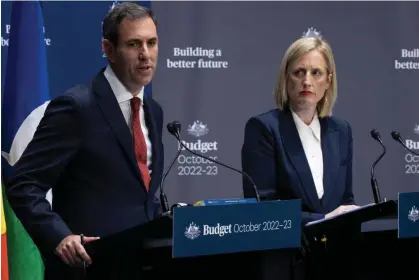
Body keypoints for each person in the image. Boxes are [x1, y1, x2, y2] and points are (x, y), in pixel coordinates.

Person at [5, 2, 164, 279]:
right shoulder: (77, 108)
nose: (145, 55)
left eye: (151, 43)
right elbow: (23, 184)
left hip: (140, 264)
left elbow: (139, 195)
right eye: (133, 44)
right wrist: (59, 237)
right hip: (89, 268)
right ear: (108, 49)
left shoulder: (153, 111)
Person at [241, 30, 361, 280]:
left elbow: (345, 200)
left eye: (316, 73)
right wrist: (323, 219)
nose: (307, 81)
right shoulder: (264, 128)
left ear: (328, 80)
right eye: (299, 72)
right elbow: (264, 207)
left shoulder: (341, 130)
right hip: (286, 260)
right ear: (286, 79)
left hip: (333, 261)